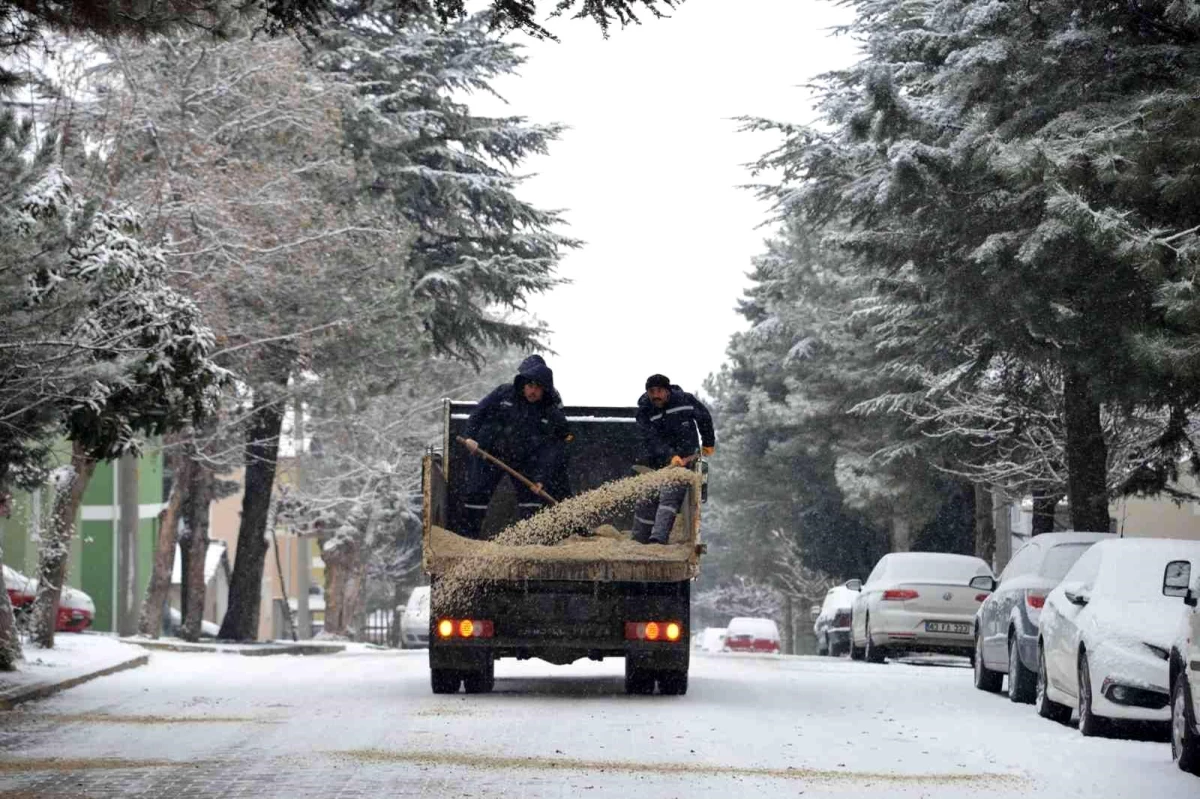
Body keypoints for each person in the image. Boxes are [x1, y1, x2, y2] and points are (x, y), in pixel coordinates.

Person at [458, 356, 572, 538]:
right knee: (476, 495)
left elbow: (551, 448)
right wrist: (470, 437)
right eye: (531, 386)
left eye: (538, 388)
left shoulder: (549, 411)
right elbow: (478, 414)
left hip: (525, 460)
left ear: (545, 390)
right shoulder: (504, 393)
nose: (533, 392)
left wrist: (541, 477)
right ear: (524, 383)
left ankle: (530, 544)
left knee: (532, 500)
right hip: (489, 453)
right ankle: (467, 540)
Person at [632, 374, 715, 544]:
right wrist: (670, 456)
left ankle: (658, 539)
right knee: (646, 499)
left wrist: (708, 442)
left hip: (685, 461)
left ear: (668, 390)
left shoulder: (685, 400)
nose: (655, 395)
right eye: (651, 391)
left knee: (670, 495)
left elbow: (704, 418)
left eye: (659, 391)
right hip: (658, 463)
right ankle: (639, 540)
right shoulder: (645, 410)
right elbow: (651, 439)